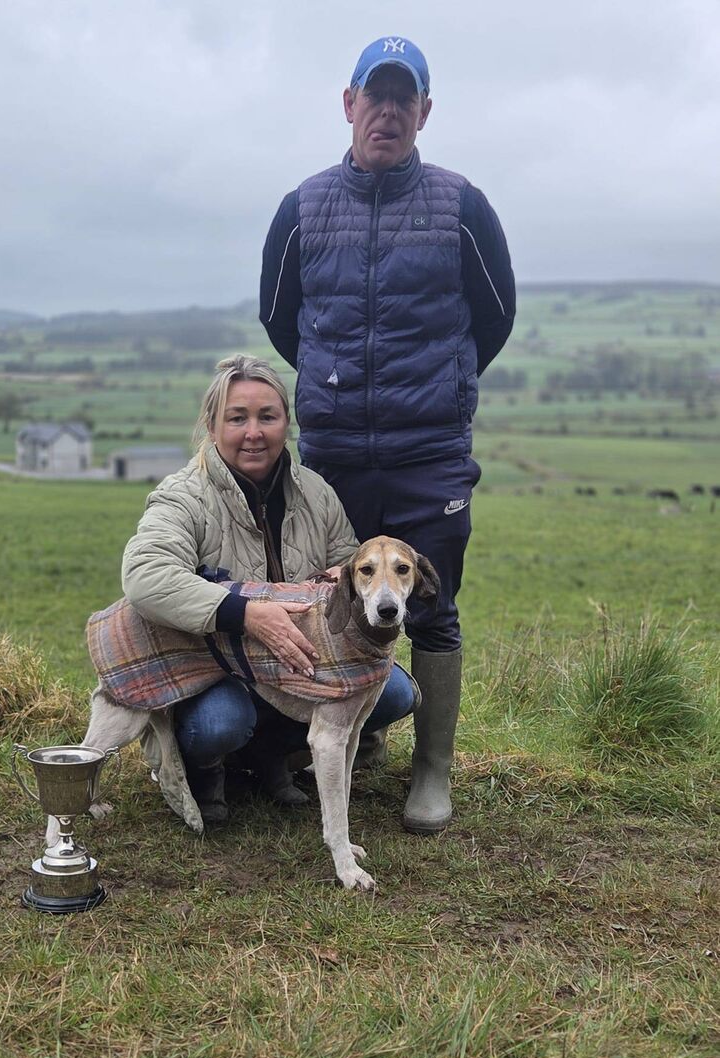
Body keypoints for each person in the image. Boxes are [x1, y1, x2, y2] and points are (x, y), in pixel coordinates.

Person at [260, 35, 516, 836]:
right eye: (377, 95)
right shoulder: (302, 207)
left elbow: (496, 314)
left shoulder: (462, 204)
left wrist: (436, 388)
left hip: (430, 453)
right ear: (349, 103)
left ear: (425, 112)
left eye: (406, 99)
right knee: (326, 603)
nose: (389, 111)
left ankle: (430, 775)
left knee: (433, 611)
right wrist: (339, 385)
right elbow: (280, 315)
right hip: (334, 456)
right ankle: (315, 743)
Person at [121, 354, 418, 826]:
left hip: (297, 671)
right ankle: (207, 770)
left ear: (286, 424)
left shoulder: (316, 492)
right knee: (221, 723)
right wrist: (245, 612)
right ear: (212, 425)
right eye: (237, 418)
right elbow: (144, 575)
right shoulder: (184, 495)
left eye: (267, 417)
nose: (253, 432)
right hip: (215, 672)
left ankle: (275, 759)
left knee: (396, 692)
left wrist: (338, 577)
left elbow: (348, 565)